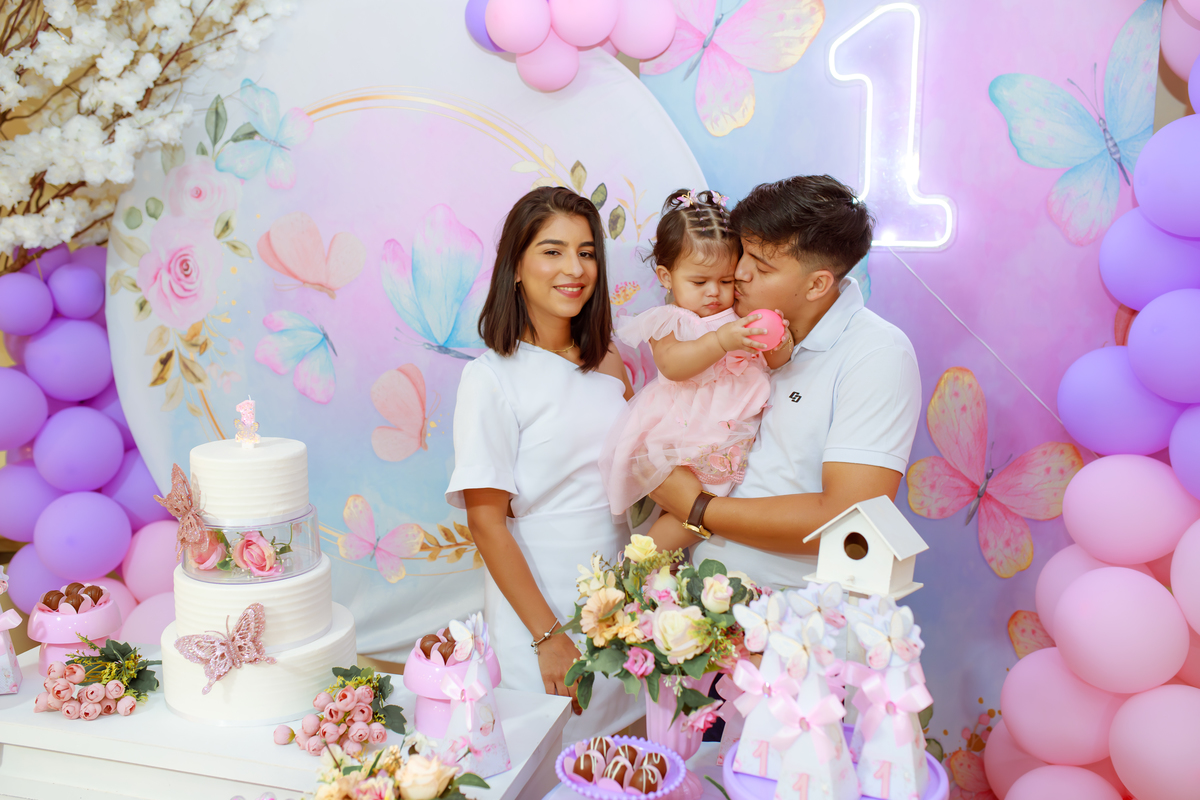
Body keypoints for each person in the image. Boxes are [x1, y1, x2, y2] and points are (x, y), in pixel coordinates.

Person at [649, 175, 922, 588]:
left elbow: (849, 517)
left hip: (795, 611)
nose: (738, 273)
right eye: (743, 252)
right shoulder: (731, 327)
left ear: (817, 284)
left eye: (761, 267)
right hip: (704, 595)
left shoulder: (878, 353)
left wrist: (698, 508)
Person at [445, 187, 642, 739]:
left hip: (618, 595)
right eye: (553, 251)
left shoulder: (610, 361)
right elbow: (486, 522)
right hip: (540, 604)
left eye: (586, 252)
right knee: (549, 748)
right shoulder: (489, 379)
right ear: (515, 267)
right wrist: (548, 636)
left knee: (620, 753)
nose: (574, 269)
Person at [599, 189, 791, 543]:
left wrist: (779, 343)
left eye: (726, 280)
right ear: (666, 276)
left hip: (732, 424)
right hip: (686, 426)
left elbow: (774, 363)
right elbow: (672, 365)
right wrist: (720, 341)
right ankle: (644, 562)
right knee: (689, 504)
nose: (714, 292)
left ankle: (656, 564)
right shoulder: (670, 319)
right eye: (699, 282)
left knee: (707, 505)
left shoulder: (740, 315)